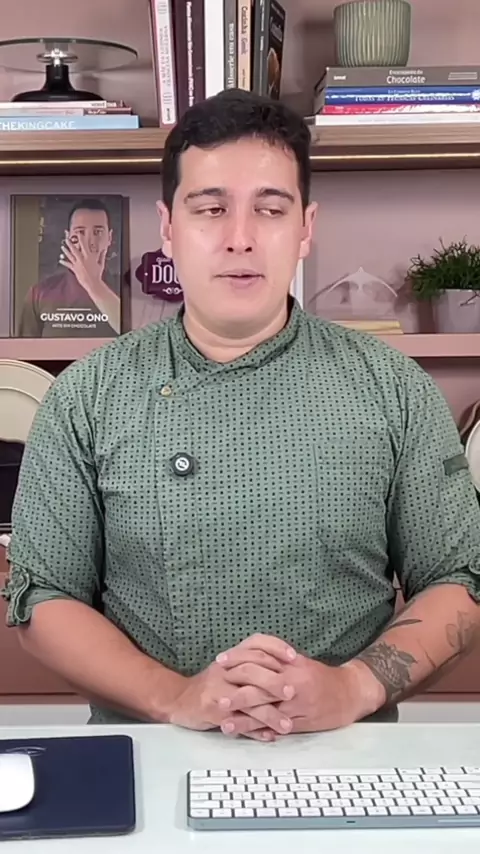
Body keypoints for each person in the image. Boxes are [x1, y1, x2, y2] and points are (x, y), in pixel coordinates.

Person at [2, 89, 480, 741]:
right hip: (149, 747)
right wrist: (177, 697)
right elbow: (42, 597)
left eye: (270, 209)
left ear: (305, 226)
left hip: (347, 752)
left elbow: (460, 579)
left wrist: (352, 686)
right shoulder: (87, 396)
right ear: (169, 227)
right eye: (211, 209)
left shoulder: (393, 388)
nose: (240, 239)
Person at [17, 198, 121, 337]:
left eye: (97, 232)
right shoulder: (39, 294)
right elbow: (24, 348)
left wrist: (93, 283)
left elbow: (138, 336)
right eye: (80, 232)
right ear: (68, 237)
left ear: (109, 238)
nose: (88, 242)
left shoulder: (125, 291)